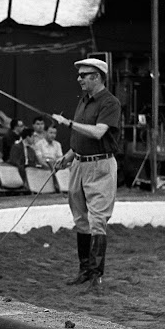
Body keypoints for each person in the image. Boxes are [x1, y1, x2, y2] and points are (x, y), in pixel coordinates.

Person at [52, 57, 121, 294]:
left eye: (84, 75)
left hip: (100, 167)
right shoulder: (84, 100)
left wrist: (68, 123)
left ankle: (96, 275)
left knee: (97, 220)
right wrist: (69, 157)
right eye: (79, 75)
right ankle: (84, 270)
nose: (79, 79)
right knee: (81, 219)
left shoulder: (110, 103)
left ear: (97, 77)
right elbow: (82, 137)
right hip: (79, 165)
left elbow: (98, 132)